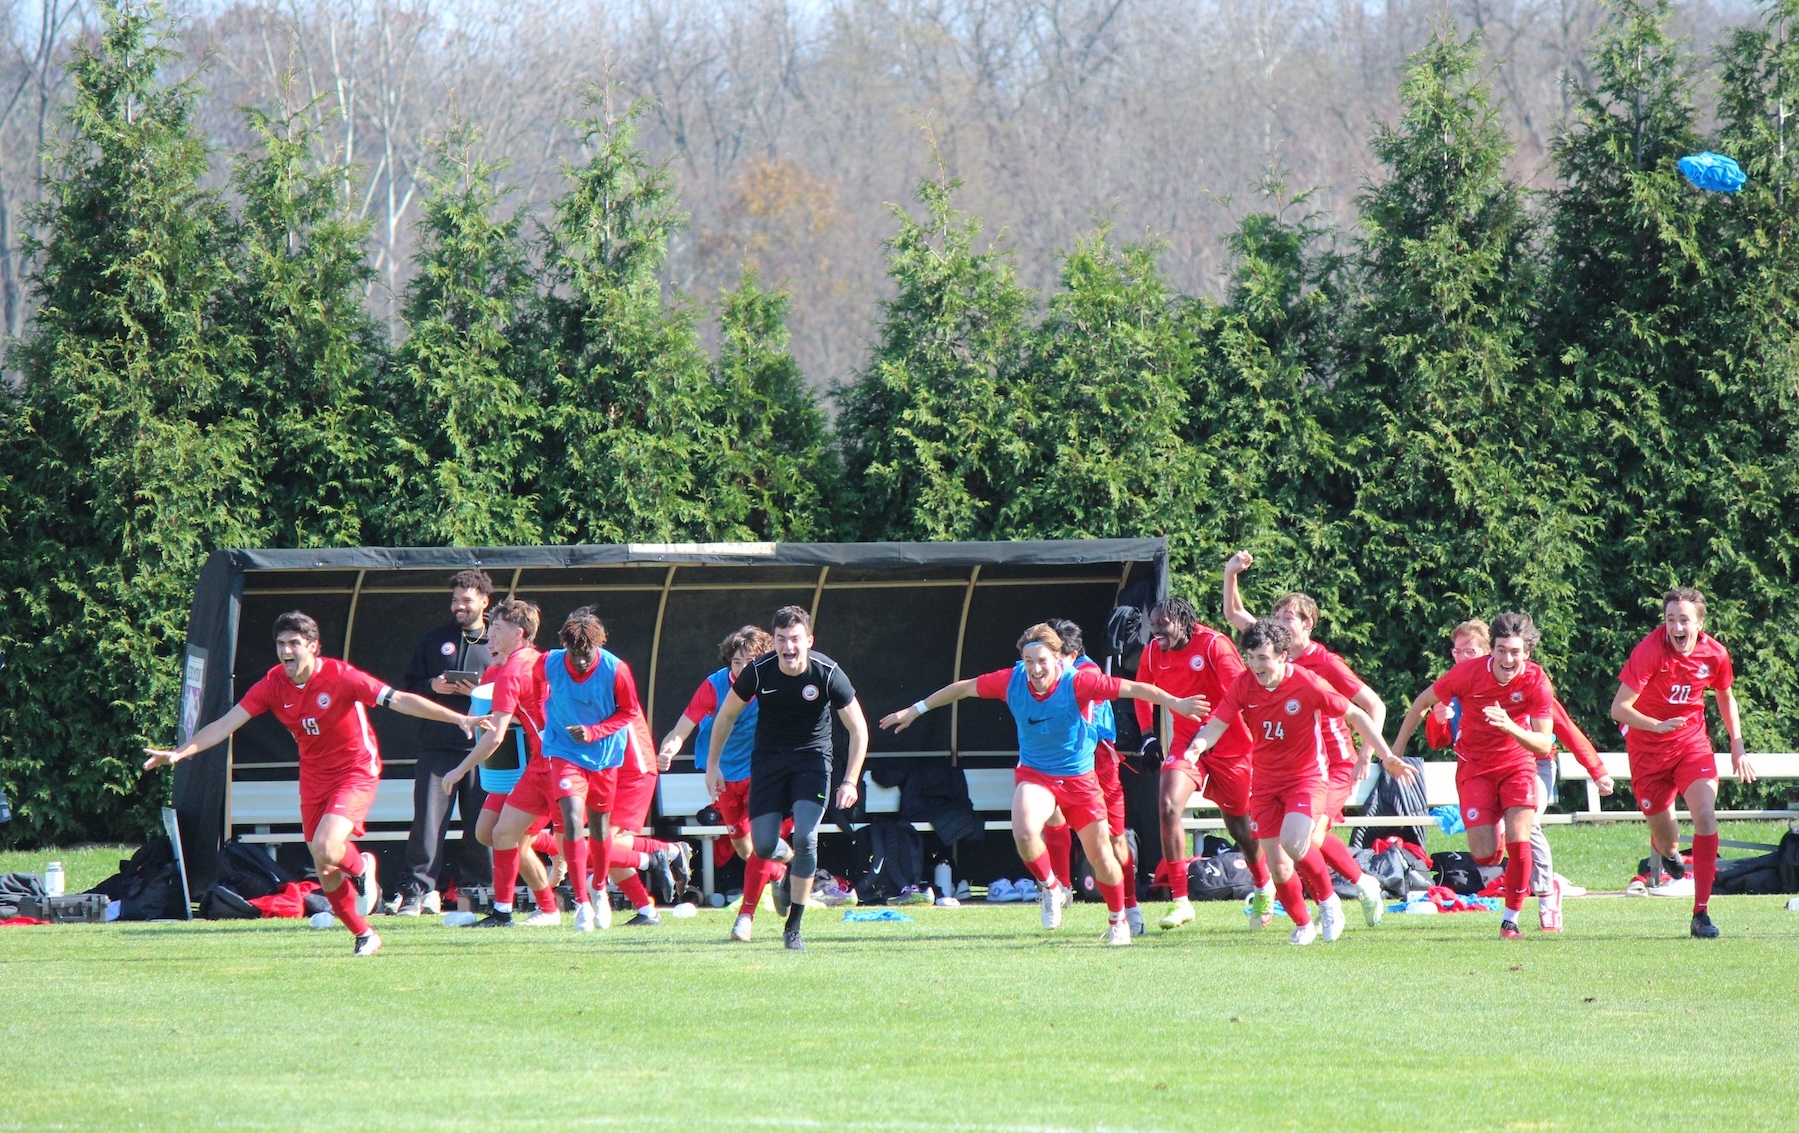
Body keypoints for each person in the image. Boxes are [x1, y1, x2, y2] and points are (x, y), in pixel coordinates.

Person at [144, 611, 486, 956]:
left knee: (325, 846)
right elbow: (226, 723)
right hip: (313, 778)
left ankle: (360, 868)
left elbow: (399, 699)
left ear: (313, 647)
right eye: (280, 644)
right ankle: (365, 934)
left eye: (294, 643)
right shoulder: (273, 684)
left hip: (356, 769)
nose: (286, 651)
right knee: (323, 865)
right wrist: (181, 752)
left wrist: (459, 717)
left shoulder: (341, 676)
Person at [882, 623, 1205, 946]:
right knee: (1023, 831)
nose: (1035, 669)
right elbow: (964, 688)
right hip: (1036, 775)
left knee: (1103, 857)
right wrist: (915, 710)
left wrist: (1176, 703)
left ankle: (1118, 917)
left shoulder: (1079, 682)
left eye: (1042, 661)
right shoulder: (1012, 681)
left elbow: (1134, 689)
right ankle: (1052, 887)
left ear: (1059, 660)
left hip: (1080, 780)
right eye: (1028, 661)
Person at [1182, 619, 1405, 945]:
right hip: (1266, 783)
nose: (1256, 665)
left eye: (1263, 658)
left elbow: (1357, 715)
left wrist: (1384, 755)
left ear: (1283, 656)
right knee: (1279, 864)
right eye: (1252, 657)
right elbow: (1218, 722)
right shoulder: (1245, 685)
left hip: (1306, 778)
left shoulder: (1308, 683)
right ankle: (1302, 924)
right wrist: (1199, 745)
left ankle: (1329, 904)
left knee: (1296, 841)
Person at [1222, 552, 1387, 927]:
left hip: (1333, 760)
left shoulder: (1324, 663)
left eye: (1286, 617)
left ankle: (1357, 889)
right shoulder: (1271, 655)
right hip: (1294, 762)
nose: (1277, 622)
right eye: (1275, 617)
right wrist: (1230, 573)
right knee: (1293, 842)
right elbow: (1235, 616)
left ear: (1307, 624)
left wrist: (1366, 755)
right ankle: (1341, 897)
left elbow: (1372, 706)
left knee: (1308, 836)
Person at [1425, 619, 1614, 931]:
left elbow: (1563, 727)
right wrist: (1436, 719)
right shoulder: (1462, 683)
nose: (1462, 658)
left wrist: (1596, 770)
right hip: (1484, 770)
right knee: (1502, 839)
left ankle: (1545, 893)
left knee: (1526, 825)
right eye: (1456, 652)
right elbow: (1439, 740)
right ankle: (1534, 884)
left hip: (1532, 762)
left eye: (1470, 650)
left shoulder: (1524, 681)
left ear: (1491, 651)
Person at [707, 606, 869, 951]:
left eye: (795, 639)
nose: (788, 647)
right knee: (763, 846)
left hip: (812, 761)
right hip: (768, 762)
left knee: (806, 838)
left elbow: (858, 729)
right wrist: (712, 766)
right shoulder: (759, 672)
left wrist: (850, 781)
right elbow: (725, 717)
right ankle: (793, 864)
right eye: (781, 640)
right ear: (774, 643)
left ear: (808, 641)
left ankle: (793, 928)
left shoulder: (827, 673)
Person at [1389, 611, 1555, 939]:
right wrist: (1394, 753)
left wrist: (1509, 725)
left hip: (1517, 765)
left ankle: (1511, 920)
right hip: (1474, 768)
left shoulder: (1536, 681)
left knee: (1521, 840)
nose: (1509, 659)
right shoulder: (1467, 675)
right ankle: (1498, 825)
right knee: (1485, 854)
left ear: (1527, 653)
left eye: (1516, 652)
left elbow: (1542, 745)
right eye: (1502, 650)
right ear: (1491, 650)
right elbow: (1422, 702)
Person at [481, 608, 642, 932]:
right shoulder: (550, 662)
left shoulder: (615, 669)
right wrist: (543, 721)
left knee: (597, 832)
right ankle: (580, 903)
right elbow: (536, 685)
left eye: (586, 655)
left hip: (603, 757)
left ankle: (600, 888)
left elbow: (629, 712)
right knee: (567, 821)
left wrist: (594, 731)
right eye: (574, 654)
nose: (580, 662)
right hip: (561, 754)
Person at [1610, 587, 1752, 939]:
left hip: (1691, 746)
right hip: (1647, 752)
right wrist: (1657, 726)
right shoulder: (1649, 651)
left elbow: (1725, 697)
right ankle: (1668, 851)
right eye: (1670, 619)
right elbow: (1619, 709)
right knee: (1668, 841)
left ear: (1699, 623)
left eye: (1683, 619)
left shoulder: (1714, 654)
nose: (1676, 626)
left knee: (1705, 816)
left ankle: (1701, 913)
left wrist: (1738, 745)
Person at [1132, 596, 1270, 931]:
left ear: (1183, 620)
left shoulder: (1213, 645)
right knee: (1167, 806)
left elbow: (1243, 690)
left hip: (1231, 746)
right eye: (1152, 625)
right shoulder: (1153, 652)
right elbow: (1140, 691)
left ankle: (1264, 885)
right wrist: (1148, 735)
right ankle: (1180, 900)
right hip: (1186, 745)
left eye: (1163, 624)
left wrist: (1256, 737)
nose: (1156, 632)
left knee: (1239, 826)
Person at [660, 626, 795, 930]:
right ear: (729, 662)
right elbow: (682, 728)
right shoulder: (714, 686)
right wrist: (668, 750)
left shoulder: (772, 684)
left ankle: (745, 917)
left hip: (761, 774)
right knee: (745, 849)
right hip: (722, 776)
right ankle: (780, 871)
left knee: (762, 842)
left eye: (750, 662)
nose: (743, 668)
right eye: (737, 662)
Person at [443, 599, 563, 925]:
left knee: (510, 836)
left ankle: (510, 911)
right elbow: (490, 717)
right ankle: (544, 896)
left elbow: (495, 737)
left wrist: (459, 770)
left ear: (519, 634)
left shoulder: (513, 670)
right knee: (490, 832)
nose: (489, 639)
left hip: (551, 765)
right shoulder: (530, 663)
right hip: (535, 764)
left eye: (497, 631)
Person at [398, 569, 496, 915]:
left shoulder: (497, 643)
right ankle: (418, 890)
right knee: (427, 822)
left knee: (481, 825)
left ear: (484, 602)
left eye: (466, 600)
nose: (459, 606)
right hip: (438, 747)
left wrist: (480, 691)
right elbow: (406, 689)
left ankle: (480, 891)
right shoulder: (434, 638)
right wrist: (432, 686)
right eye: (455, 600)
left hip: (484, 750)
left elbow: (517, 693)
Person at [1049, 618, 1144, 935]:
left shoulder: (1087, 677)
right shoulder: (1044, 673)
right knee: (1048, 813)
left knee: (1115, 842)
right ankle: (1060, 887)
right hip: (1062, 767)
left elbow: (1087, 719)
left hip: (1098, 768)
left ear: (1070, 654)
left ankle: (1130, 909)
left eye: (1052, 653)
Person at [603, 714, 692, 925]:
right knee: (608, 847)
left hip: (631, 771)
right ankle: (647, 910)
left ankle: (655, 858)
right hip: (614, 770)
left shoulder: (606, 683)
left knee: (600, 845)